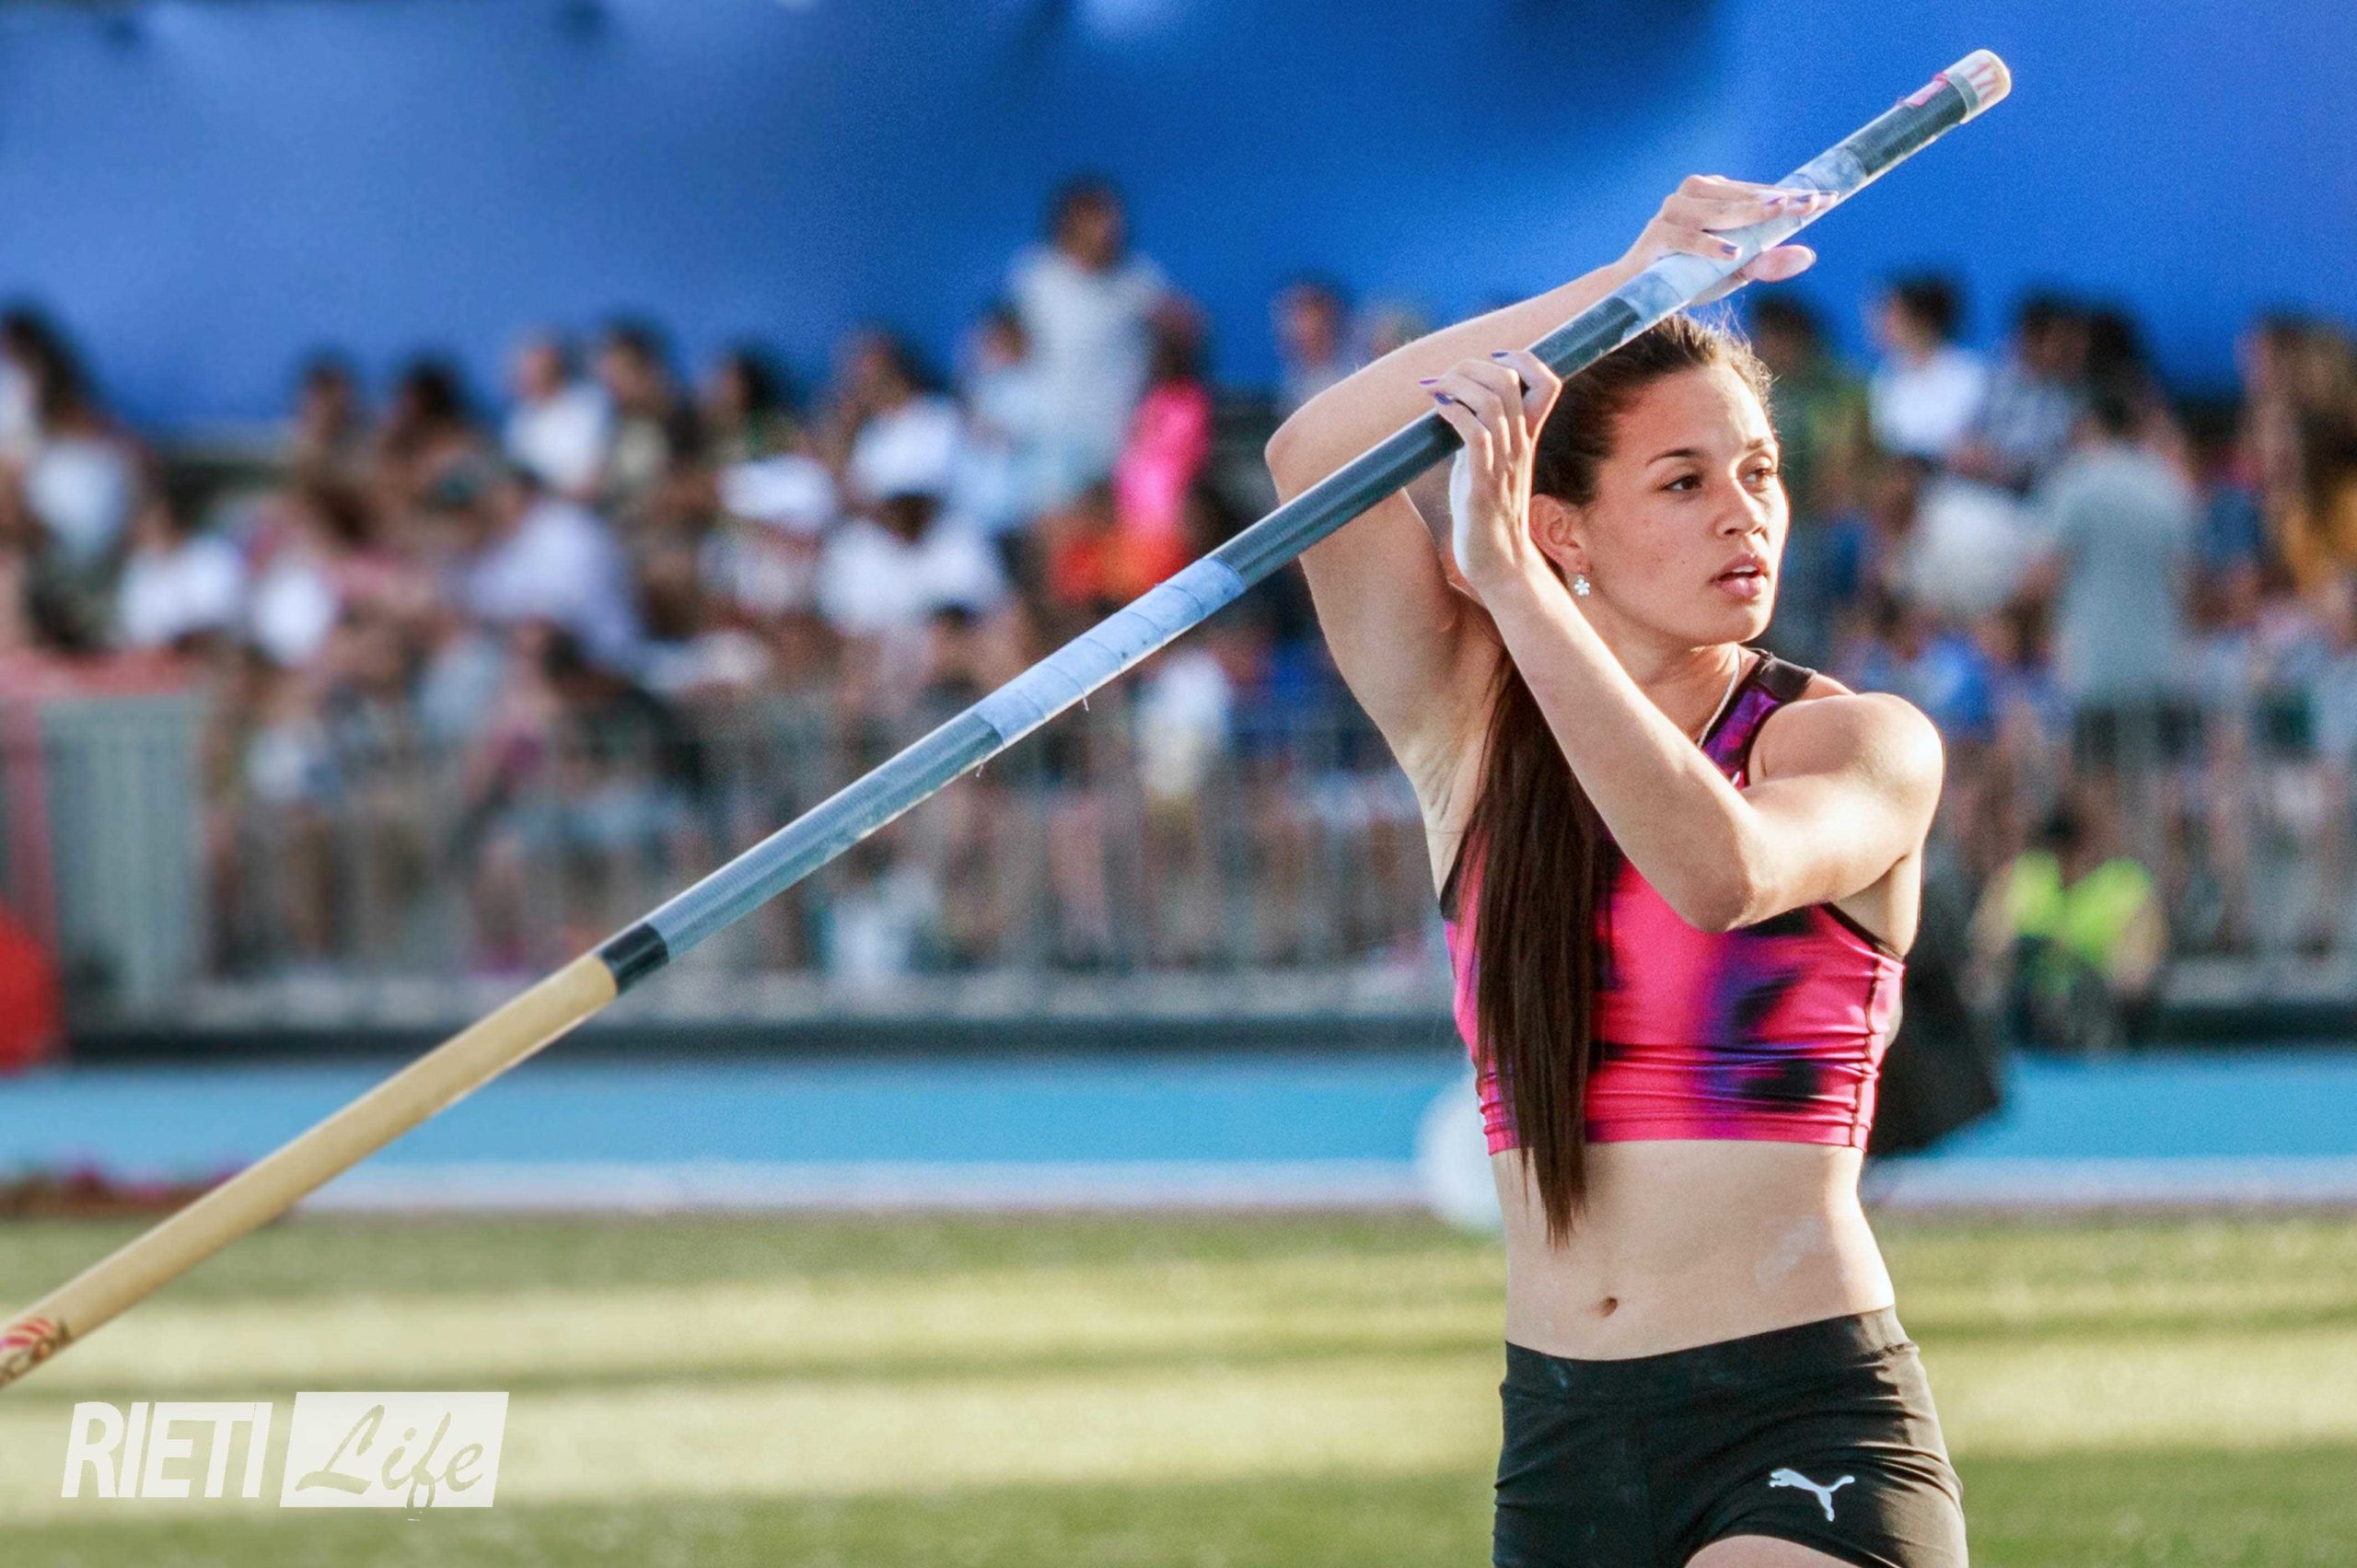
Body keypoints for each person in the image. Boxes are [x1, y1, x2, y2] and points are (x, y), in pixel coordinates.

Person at [1265, 174, 1965, 1567]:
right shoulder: (1474, 736)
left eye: (1760, 471)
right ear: (1564, 523)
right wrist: (1628, 280)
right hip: (1562, 1443)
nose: (1743, 514)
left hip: (1800, 1416)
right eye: (1686, 480)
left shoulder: (1850, 739)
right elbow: (1315, 454)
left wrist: (1513, 587)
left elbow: (1720, 872)